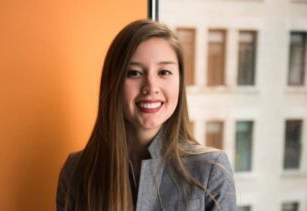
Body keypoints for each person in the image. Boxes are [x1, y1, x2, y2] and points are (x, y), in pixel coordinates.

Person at [56, 19, 236, 211]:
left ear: (179, 82)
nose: (151, 87)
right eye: (134, 73)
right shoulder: (76, 172)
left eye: (164, 72)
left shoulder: (211, 169)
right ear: (113, 82)